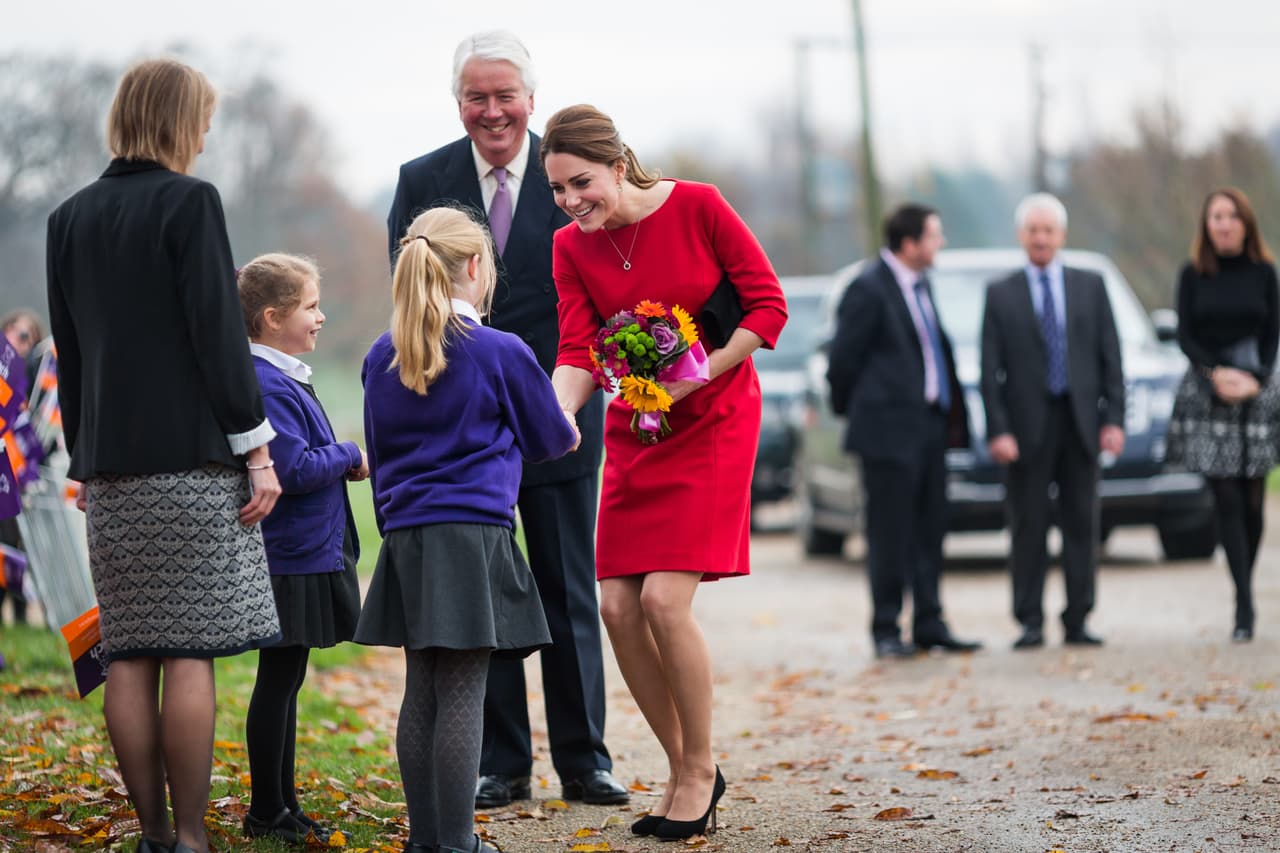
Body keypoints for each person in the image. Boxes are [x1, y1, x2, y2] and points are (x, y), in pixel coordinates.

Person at [45, 58, 283, 853]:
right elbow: (219, 336)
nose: (208, 135)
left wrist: (85, 457)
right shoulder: (191, 202)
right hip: (191, 467)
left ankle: (150, 833)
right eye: (204, 120)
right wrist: (257, 449)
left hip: (110, 471)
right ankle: (188, 836)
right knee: (186, 651)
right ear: (180, 120)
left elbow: (71, 355)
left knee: (128, 652)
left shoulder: (68, 218)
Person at [386, 29, 624, 810]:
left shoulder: (573, 175)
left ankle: (585, 758)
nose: (492, 111)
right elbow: (409, 298)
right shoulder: (422, 180)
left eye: (505, 96)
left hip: (559, 413)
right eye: (476, 97)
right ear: (457, 102)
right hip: (460, 431)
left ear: (531, 99)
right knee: (477, 595)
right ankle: (500, 761)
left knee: (566, 586)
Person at [543, 104, 787, 841]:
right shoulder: (569, 247)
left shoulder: (699, 206)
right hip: (637, 427)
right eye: (556, 189)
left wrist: (697, 375)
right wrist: (555, 414)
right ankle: (684, 765)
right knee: (617, 606)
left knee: (663, 601)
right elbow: (579, 349)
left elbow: (767, 306)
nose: (570, 201)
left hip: (714, 417)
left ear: (618, 166)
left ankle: (698, 769)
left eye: (581, 182)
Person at [356, 206, 579, 853]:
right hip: (471, 535)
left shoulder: (382, 353)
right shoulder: (499, 350)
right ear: (475, 267)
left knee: (420, 688)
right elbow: (550, 440)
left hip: (407, 535)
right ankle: (458, 844)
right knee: (461, 690)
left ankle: (425, 841)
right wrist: (568, 422)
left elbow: (378, 450)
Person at [237, 254, 367, 843]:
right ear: (272, 318)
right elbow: (291, 469)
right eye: (311, 307)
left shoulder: (282, 375)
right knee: (278, 679)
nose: (321, 317)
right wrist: (350, 453)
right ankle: (266, 809)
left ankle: (283, 804)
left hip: (303, 551)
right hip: (290, 556)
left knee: (287, 680)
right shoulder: (267, 383)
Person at [826, 204, 981, 660]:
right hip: (887, 435)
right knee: (889, 534)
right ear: (910, 243)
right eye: (934, 235)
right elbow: (842, 362)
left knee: (930, 529)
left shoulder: (921, 285)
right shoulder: (868, 288)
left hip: (929, 428)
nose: (941, 243)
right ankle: (887, 628)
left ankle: (930, 623)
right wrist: (859, 412)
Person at [979, 192, 1125, 650]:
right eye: (1033, 231)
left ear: (1061, 235)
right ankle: (1029, 620)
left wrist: (1114, 419)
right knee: (1029, 526)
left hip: (1081, 423)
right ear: (1020, 236)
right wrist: (999, 429)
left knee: (1082, 524)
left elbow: (1111, 356)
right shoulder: (1000, 293)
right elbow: (989, 369)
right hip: (1026, 430)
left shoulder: (1090, 286)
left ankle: (1078, 617)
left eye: (1048, 230)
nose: (1040, 238)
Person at [1167, 188, 1280, 643]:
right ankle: (1244, 601)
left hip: (1256, 393)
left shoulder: (1264, 273)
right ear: (1206, 224)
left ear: (1245, 223)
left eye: (1232, 216)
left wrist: (1256, 378)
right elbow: (1185, 335)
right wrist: (1215, 374)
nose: (1225, 223)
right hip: (1208, 392)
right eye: (1217, 216)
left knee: (1252, 500)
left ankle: (1245, 580)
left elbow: (1273, 332)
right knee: (1226, 497)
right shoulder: (1192, 274)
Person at [0, 308, 44, 625]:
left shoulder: (34, 379)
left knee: (17, 546)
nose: (19, 338)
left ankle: (19, 614)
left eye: (27, 335)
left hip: (18, 478)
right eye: (15, 330)